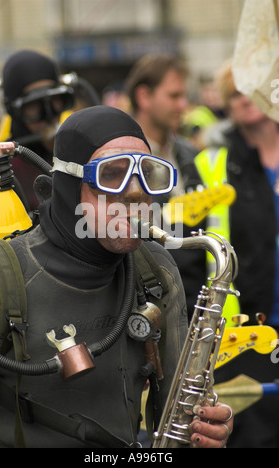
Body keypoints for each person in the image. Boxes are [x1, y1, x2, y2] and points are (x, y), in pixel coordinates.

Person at [0, 105, 233, 448]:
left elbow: (180, 424)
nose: (135, 192)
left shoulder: (155, 271)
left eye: (147, 172)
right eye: (111, 174)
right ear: (69, 186)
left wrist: (206, 431)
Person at [194, 59, 279, 448]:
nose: (242, 99)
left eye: (250, 88)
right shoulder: (212, 165)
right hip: (243, 334)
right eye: (233, 93)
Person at [125, 53, 206, 317]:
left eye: (185, 96)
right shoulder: (118, 163)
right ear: (144, 97)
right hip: (144, 309)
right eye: (174, 96)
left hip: (194, 303)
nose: (184, 105)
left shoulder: (189, 154)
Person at [0, 49, 74, 211]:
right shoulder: (2, 166)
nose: (48, 115)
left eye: (54, 100)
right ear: (14, 110)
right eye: (33, 105)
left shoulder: (77, 152)